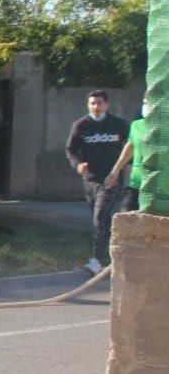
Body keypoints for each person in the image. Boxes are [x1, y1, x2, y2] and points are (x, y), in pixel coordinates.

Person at [65, 89, 128, 272]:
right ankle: (112, 255)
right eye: (92, 103)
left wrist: (125, 166)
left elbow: (131, 146)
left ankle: (96, 260)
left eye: (99, 103)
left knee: (100, 217)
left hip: (111, 179)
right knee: (101, 221)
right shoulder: (81, 125)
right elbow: (70, 149)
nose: (96, 107)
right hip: (91, 180)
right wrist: (78, 164)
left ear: (107, 105)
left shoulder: (119, 125)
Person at [105, 100, 149, 215]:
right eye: (145, 103)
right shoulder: (136, 125)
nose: (146, 106)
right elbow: (130, 146)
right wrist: (115, 171)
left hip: (161, 189)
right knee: (125, 215)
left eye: (149, 103)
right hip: (137, 183)